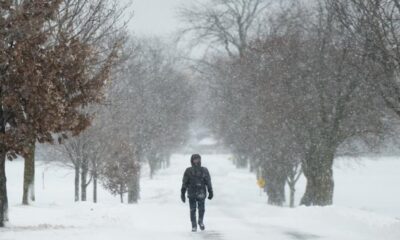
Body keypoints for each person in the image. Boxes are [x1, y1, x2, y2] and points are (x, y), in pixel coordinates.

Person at [181, 154, 213, 232]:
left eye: (197, 159)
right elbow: (184, 182)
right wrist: (183, 192)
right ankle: (194, 225)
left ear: (200, 160)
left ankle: (200, 221)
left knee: (201, 209)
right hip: (191, 192)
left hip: (201, 191)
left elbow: (208, 181)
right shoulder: (188, 170)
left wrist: (210, 190)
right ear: (192, 160)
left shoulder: (204, 170)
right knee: (192, 209)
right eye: (194, 159)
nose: (196, 161)